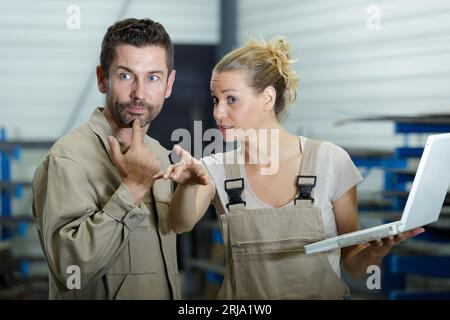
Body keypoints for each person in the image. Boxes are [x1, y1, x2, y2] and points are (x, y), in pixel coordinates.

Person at [159, 37, 424, 299]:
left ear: (267, 98)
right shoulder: (215, 168)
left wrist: (375, 252)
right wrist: (190, 184)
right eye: (216, 100)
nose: (218, 113)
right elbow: (180, 224)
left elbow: (355, 265)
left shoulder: (329, 161)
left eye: (231, 100)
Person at [32, 18, 180, 299]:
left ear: (169, 84)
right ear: (103, 79)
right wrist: (132, 189)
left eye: (152, 77)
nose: (139, 93)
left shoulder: (160, 155)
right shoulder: (67, 159)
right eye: (126, 76)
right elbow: (70, 270)